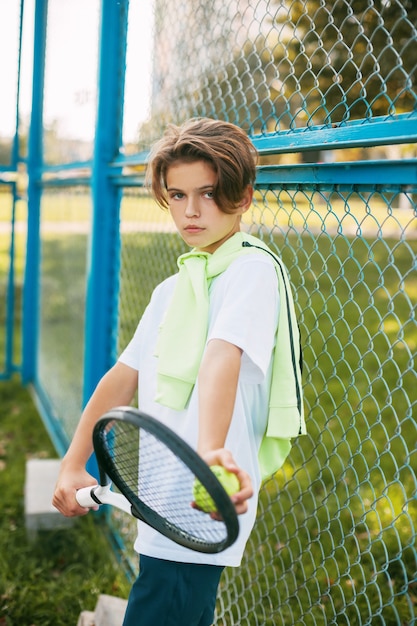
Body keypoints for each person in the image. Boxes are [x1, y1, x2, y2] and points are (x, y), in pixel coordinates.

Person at [52, 117, 305, 626]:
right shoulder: (172, 289)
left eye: (209, 194)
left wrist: (210, 455)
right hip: (161, 493)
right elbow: (122, 377)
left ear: (245, 195)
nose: (191, 211)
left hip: (200, 500)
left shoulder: (250, 271)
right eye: (177, 195)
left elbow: (220, 359)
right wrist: (73, 461)